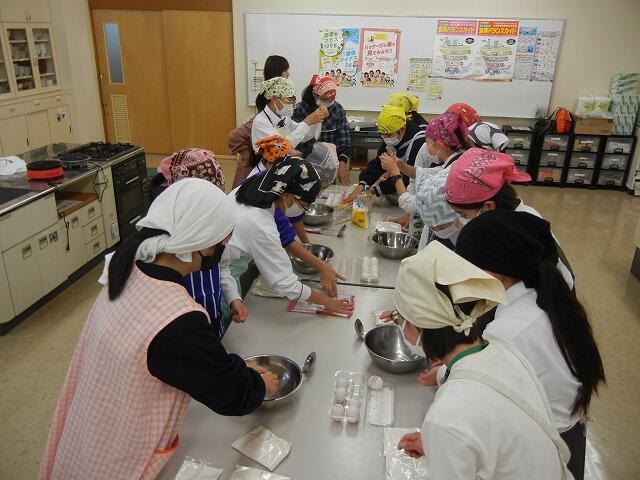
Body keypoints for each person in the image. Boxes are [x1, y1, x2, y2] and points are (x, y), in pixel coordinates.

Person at [39, 179, 278, 480]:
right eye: (222, 243)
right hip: (120, 454)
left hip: (94, 420)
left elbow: (188, 361)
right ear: (204, 244)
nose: (222, 250)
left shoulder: (128, 268)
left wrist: (234, 368)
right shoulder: (178, 317)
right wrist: (259, 384)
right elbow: (231, 393)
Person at [393, 242, 572, 480]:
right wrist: (445, 448)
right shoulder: (505, 353)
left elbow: (460, 423)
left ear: (419, 325)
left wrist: (446, 440)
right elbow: (502, 437)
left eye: (400, 319)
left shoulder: (445, 417)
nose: (401, 327)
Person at [455, 209, 605, 480]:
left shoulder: (509, 331)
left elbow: (485, 407)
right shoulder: (545, 295)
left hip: (542, 447)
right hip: (565, 430)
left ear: (490, 274)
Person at [228, 156, 353, 315]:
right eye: (304, 205)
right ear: (287, 195)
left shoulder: (265, 185)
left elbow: (283, 233)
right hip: (223, 271)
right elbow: (284, 283)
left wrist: (322, 266)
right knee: (224, 316)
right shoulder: (260, 224)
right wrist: (328, 302)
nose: (303, 210)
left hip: (223, 263)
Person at [444, 147, 574, 288]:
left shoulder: (525, 230)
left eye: (462, 214)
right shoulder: (504, 221)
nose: (461, 220)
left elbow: (559, 281)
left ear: (488, 206)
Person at [150, 149, 247, 336]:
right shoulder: (162, 240)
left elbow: (222, 266)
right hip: (182, 329)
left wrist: (233, 297)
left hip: (211, 317)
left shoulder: (216, 226)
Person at [247, 135, 344, 295]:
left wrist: (307, 247)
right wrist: (321, 268)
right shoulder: (264, 198)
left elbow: (293, 217)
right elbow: (285, 239)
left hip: (250, 251)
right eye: (304, 205)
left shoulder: (277, 189)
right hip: (238, 260)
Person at [379, 111, 468, 226]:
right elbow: (425, 173)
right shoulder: (456, 163)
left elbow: (409, 205)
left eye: (427, 142)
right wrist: (401, 166)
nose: (426, 147)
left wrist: (394, 173)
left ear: (439, 144)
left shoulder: (448, 176)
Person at [228, 56, 291, 187]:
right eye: (285, 70)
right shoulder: (262, 117)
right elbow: (235, 136)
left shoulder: (276, 109)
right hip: (254, 165)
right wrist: (250, 157)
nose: (288, 74)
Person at [343, 105, 425, 203]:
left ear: (402, 129)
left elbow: (408, 178)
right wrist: (361, 186)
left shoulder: (418, 141)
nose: (385, 138)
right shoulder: (392, 135)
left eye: (388, 135)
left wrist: (374, 191)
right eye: (382, 135)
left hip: (414, 194)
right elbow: (378, 163)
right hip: (397, 186)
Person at [292, 75, 351, 186]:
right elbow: (294, 139)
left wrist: (342, 164)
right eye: (325, 99)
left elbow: (344, 140)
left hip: (329, 166)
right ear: (315, 95)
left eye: (332, 99)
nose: (329, 102)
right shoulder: (300, 109)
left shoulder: (337, 109)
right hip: (304, 164)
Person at [251, 77, 328, 153]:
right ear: (274, 99)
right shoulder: (260, 121)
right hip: (270, 161)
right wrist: (307, 122)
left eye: (293, 100)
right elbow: (280, 147)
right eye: (289, 100)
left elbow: (303, 136)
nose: (291, 104)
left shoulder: (283, 118)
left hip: (284, 159)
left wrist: (318, 119)